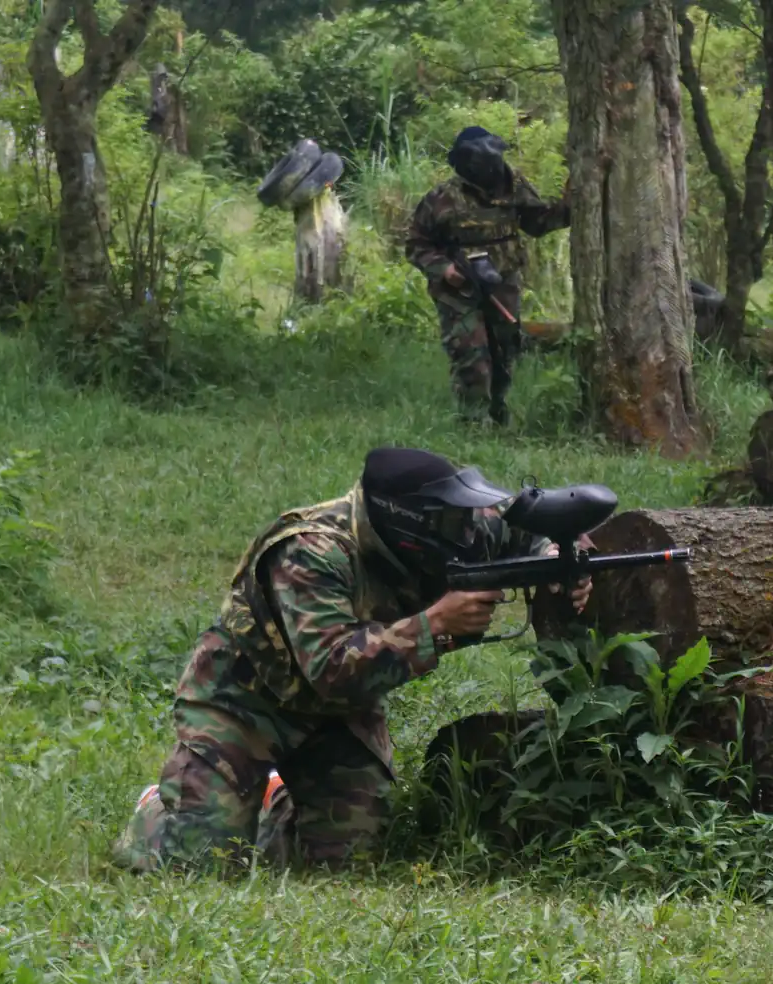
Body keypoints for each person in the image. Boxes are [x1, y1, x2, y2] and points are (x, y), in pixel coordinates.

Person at [118, 448, 592, 871]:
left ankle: (269, 800)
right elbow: (330, 668)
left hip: (338, 716)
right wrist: (434, 625)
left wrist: (559, 556)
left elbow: (528, 526)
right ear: (410, 525)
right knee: (201, 862)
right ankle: (160, 810)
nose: (469, 530)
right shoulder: (311, 551)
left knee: (347, 858)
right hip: (243, 703)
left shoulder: (454, 522)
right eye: (453, 521)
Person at [404, 127, 571, 426]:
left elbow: (538, 222)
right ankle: (473, 421)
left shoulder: (514, 186)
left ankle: (498, 412)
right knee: (470, 353)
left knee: (504, 350)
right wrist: (446, 270)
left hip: (502, 283)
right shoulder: (443, 198)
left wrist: (571, 205)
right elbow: (416, 244)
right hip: (459, 290)